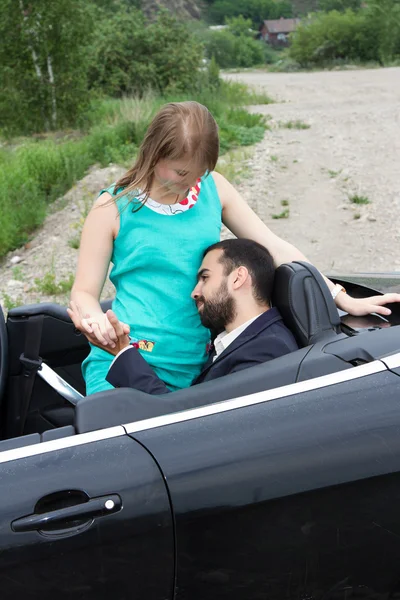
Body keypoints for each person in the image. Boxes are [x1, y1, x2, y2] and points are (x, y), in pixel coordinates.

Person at [70, 101, 400, 395]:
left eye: (199, 172)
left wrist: (340, 298)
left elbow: (273, 246)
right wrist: (97, 324)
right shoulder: (113, 207)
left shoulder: (214, 189)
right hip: (124, 356)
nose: (189, 182)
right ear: (154, 153)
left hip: (193, 365)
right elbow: (84, 293)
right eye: (181, 171)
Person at [69, 239, 299, 393]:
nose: (194, 292)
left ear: (238, 278)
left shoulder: (265, 352)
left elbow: (185, 422)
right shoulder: (243, 339)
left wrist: (121, 352)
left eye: (205, 278)